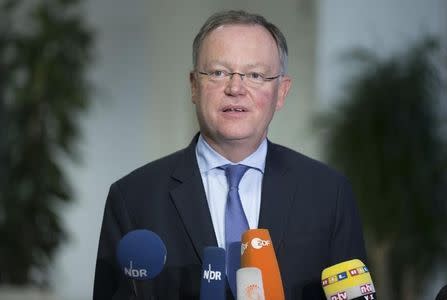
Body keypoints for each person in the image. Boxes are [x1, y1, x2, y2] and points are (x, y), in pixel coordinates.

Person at [93, 10, 367, 300]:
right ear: (194, 86)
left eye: (255, 75)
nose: (235, 88)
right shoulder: (133, 198)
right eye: (218, 72)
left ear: (281, 92)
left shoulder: (328, 193)